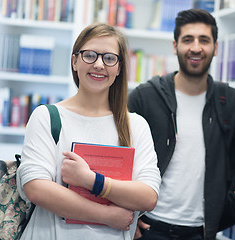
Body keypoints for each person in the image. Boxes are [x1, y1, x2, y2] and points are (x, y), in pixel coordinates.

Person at [128, 8, 235, 240]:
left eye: (204, 40)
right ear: (175, 46)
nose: (196, 47)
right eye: (188, 40)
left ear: (215, 48)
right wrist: (127, 217)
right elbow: (118, 154)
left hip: (201, 231)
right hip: (148, 227)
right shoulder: (145, 96)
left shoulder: (228, 100)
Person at [16, 23, 161, 240]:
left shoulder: (136, 126)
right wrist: (106, 215)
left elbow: (148, 197)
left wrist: (92, 181)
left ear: (119, 68)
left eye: (109, 58)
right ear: (75, 61)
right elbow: (36, 189)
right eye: (89, 55)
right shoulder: (47, 116)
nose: (99, 65)